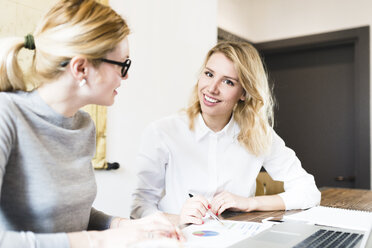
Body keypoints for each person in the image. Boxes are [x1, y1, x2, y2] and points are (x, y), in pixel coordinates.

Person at [0, 0, 183, 247]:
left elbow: (74, 217)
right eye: (123, 64)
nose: (126, 75)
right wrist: (101, 240)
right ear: (81, 68)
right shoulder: (6, 115)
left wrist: (128, 226)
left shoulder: (83, 125)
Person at [130, 41, 321, 225]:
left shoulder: (258, 133)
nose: (212, 89)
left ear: (244, 93)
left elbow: (309, 192)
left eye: (228, 82)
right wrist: (178, 218)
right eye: (209, 74)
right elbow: (139, 208)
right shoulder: (163, 132)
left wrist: (249, 203)